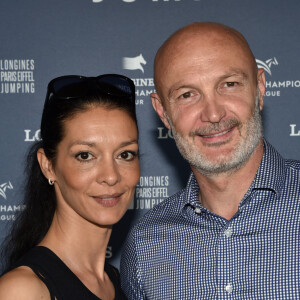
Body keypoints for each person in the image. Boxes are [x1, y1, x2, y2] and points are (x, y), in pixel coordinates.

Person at [120, 22, 300, 299]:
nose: (213, 114)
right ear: (163, 112)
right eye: (187, 95)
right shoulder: (146, 244)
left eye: (229, 85)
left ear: (259, 89)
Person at [0, 74, 140, 299]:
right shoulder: (23, 290)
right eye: (85, 155)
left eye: (125, 154)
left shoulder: (113, 281)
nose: (111, 176)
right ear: (48, 166)